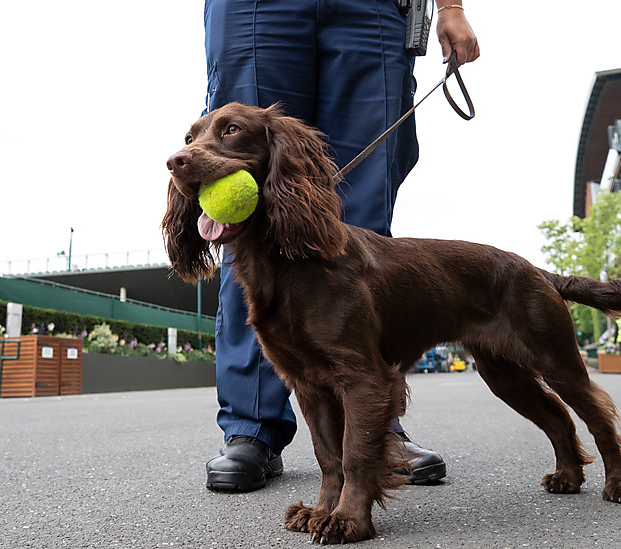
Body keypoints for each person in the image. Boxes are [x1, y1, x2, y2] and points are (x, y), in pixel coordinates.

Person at [201, 0, 480, 492]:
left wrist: (451, 6)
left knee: (362, 218)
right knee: (244, 197)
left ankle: (371, 430)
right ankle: (251, 426)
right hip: (255, 8)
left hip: (372, 9)